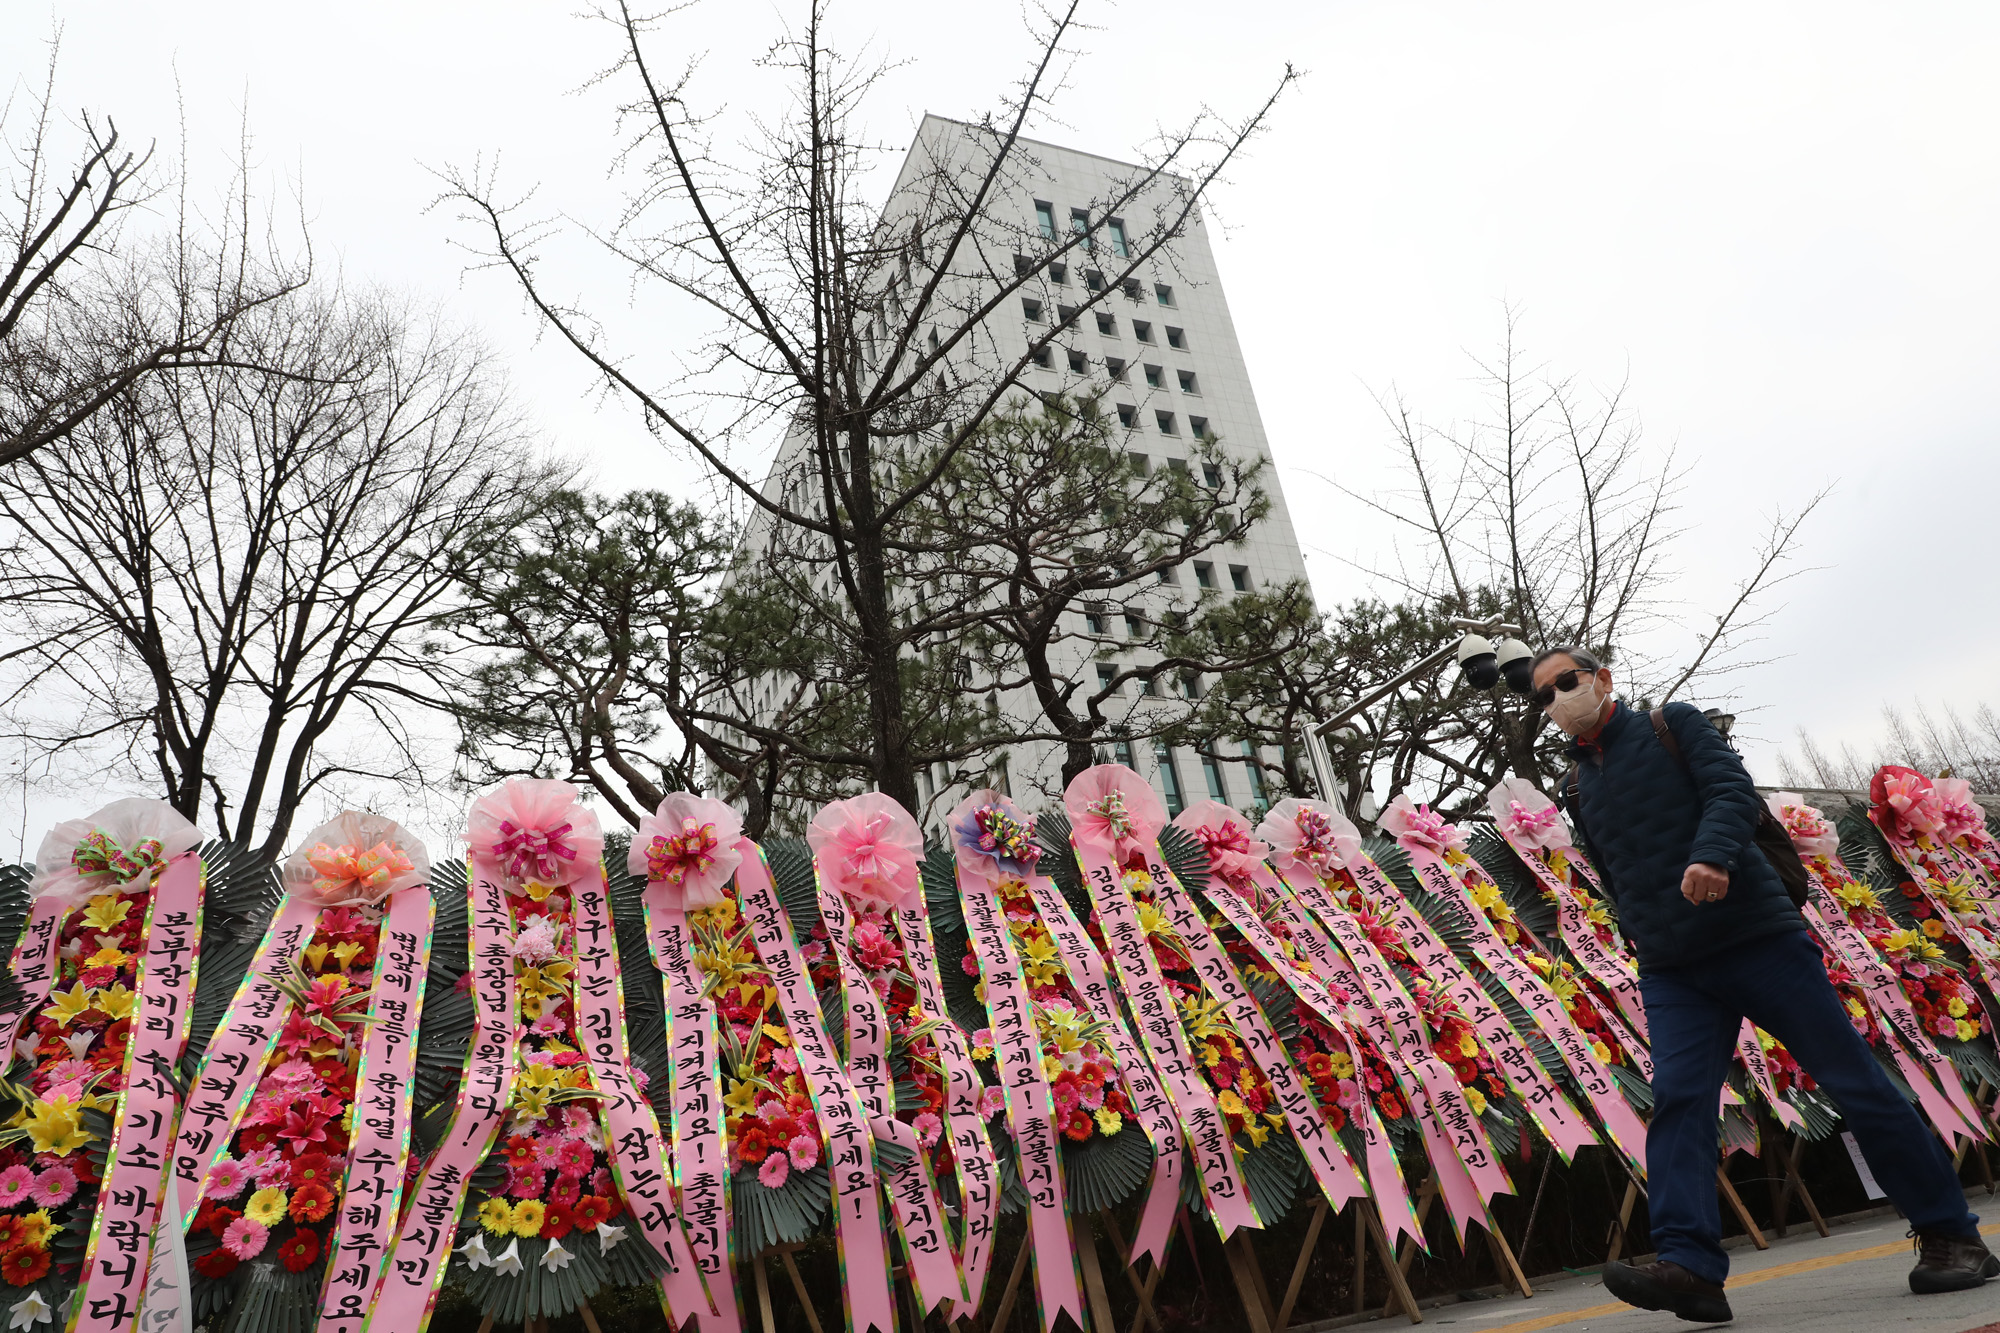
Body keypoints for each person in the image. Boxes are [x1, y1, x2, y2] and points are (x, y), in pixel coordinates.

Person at [1534, 646, 1995, 1324]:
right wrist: (1640, 934)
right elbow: (1611, 869)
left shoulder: (1673, 725)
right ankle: (1691, 1267)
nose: (1557, 700)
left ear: (1602, 678)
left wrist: (1712, 856)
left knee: (1852, 1080)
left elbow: (1731, 793)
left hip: (1756, 938)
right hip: (1672, 968)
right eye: (1543, 695)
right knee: (1680, 1101)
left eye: (1566, 682)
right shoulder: (1578, 785)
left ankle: (1952, 1234)